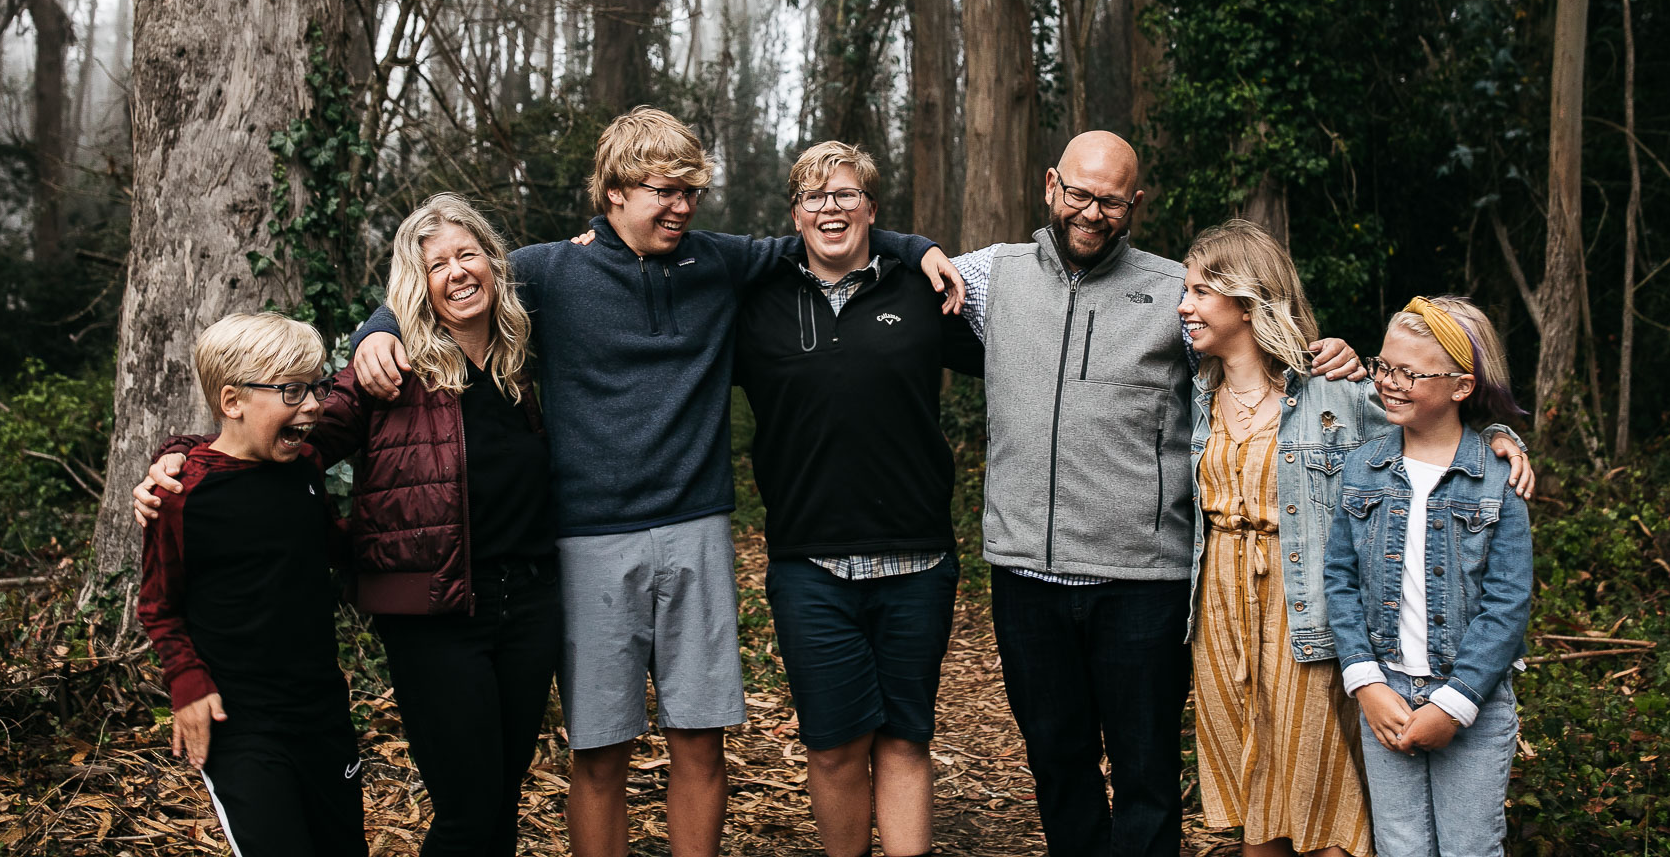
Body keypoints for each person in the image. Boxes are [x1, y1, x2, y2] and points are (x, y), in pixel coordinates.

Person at [346, 107, 964, 857]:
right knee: (600, 752)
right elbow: (454, 281)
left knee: (699, 743)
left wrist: (919, 248)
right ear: (613, 192)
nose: (681, 207)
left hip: (696, 528)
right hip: (589, 539)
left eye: (690, 191)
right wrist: (377, 329)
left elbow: (827, 234)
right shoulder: (552, 271)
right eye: (663, 192)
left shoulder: (718, 261)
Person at [947, 131, 1363, 857]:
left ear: (1134, 204)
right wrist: (911, 245)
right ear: (1050, 186)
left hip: (1143, 581)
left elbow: (1260, 354)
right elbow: (878, 273)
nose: (1092, 212)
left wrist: (1342, 359)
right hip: (1025, 575)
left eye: (1111, 201)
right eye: (1079, 193)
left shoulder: (1177, 291)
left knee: (1146, 772)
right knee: (1057, 762)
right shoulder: (993, 275)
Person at [137, 195, 558, 857]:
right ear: (416, 284)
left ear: (494, 262)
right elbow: (275, 436)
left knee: (502, 796)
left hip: (529, 606)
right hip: (438, 616)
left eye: (468, 254)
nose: (457, 272)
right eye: (436, 264)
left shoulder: (524, 362)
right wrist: (181, 458)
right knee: (469, 809)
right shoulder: (387, 370)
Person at [1176, 223, 1530, 857]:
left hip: (1304, 610)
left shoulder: (1332, 389)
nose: (1185, 305)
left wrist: (1506, 439)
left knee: (1320, 793)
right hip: (1220, 611)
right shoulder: (1194, 388)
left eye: (1201, 291)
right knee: (1254, 793)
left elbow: (1439, 420)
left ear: (1249, 300)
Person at [733, 141, 984, 857]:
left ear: (872, 208)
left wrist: (917, 249)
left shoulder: (922, 290)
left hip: (918, 560)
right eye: (814, 196)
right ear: (794, 215)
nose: (830, 208)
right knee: (836, 747)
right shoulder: (757, 302)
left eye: (846, 194)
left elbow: (1021, 354)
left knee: (905, 739)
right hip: (809, 565)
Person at [138, 312, 365, 857]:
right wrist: (187, 683)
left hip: (322, 710)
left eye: (314, 387)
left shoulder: (304, 464)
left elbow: (324, 547)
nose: (311, 406)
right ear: (232, 401)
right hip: (240, 723)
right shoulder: (182, 495)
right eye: (291, 391)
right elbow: (157, 605)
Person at [1325, 297, 1533, 857]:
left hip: (1472, 701)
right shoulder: (1362, 467)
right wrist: (1366, 683)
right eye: (1384, 365)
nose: (1389, 382)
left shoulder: (1497, 478)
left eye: (1409, 373)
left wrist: (1454, 703)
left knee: (1470, 847)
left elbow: (1508, 604)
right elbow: (1339, 581)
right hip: (1386, 695)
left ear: (1461, 386)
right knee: (1400, 845)